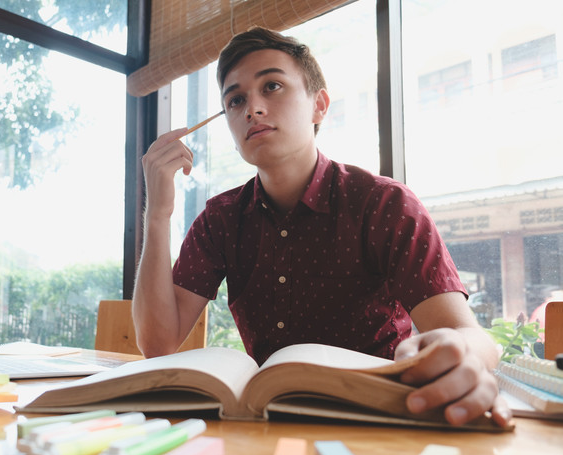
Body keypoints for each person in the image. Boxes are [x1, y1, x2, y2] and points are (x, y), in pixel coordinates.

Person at [132, 27, 511, 428]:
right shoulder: (221, 218)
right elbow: (158, 344)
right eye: (236, 99)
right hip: (266, 422)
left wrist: (464, 353)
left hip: (378, 419)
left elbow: (468, 335)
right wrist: (157, 213)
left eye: (272, 86)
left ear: (319, 105)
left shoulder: (384, 204)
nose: (252, 109)